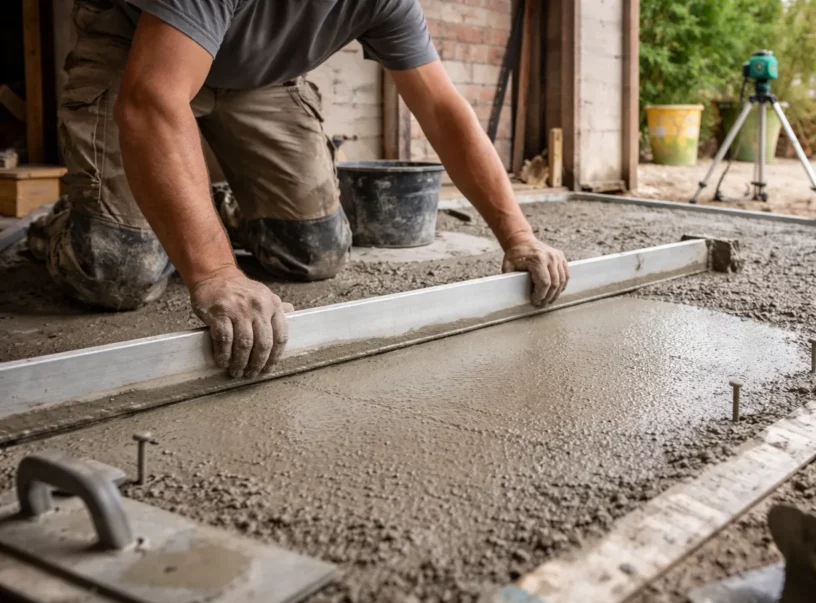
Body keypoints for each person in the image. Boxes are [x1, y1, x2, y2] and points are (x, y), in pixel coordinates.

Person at [30, 0, 569, 379]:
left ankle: (200, 211)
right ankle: (77, 222)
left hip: (259, 77)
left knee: (314, 250)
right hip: (140, 48)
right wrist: (216, 274)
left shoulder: (388, 2)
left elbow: (443, 110)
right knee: (118, 269)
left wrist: (518, 235)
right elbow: (152, 99)